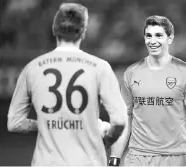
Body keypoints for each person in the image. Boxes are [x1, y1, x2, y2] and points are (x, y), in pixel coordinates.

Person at [7, 1, 127, 166]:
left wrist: (42, 125)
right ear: (83, 32)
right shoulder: (100, 67)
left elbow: (14, 123)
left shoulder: (32, 68)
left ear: (55, 30)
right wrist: (105, 140)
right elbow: (120, 120)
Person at [108, 15, 186, 166]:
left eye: (159, 35)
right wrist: (114, 157)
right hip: (137, 158)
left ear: (170, 38)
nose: (153, 41)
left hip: (175, 158)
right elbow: (125, 118)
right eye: (148, 35)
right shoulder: (131, 73)